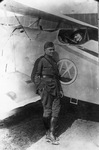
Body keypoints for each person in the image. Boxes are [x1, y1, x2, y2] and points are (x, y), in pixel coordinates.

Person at [34, 41, 63, 145]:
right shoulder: (41, 60)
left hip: (55, 87)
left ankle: (51, 133)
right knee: (47, 111)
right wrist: (40, 88)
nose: (52, 51)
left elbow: (57, 77)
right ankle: (48, 133)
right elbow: (36, 75)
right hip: (46, 88)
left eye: (53, 49)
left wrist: (60, 89)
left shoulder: (54, 62)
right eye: (50, 49)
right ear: (45, 50)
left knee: (56, 110)